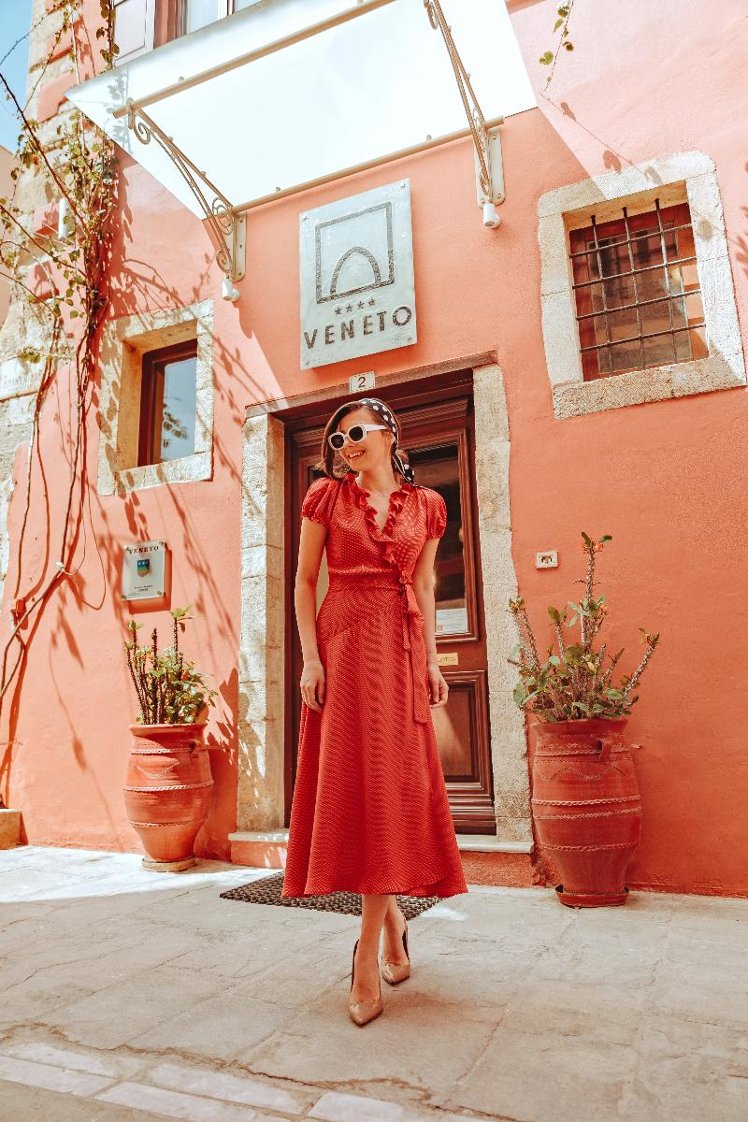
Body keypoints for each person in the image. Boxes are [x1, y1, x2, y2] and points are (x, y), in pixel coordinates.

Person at [281, 396, 468, 1026]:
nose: (347, 444)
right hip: (342, 645)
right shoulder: (326, 499)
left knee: (391, 789)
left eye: (355, 431)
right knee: (359, 787)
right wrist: (310, 660)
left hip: (401, 646)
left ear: (389, 433)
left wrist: (433, 661)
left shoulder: (428, 506)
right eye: (337, 440)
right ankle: (385, 934)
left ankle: (370, 946)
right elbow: (304, 582)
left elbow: (425, 585)